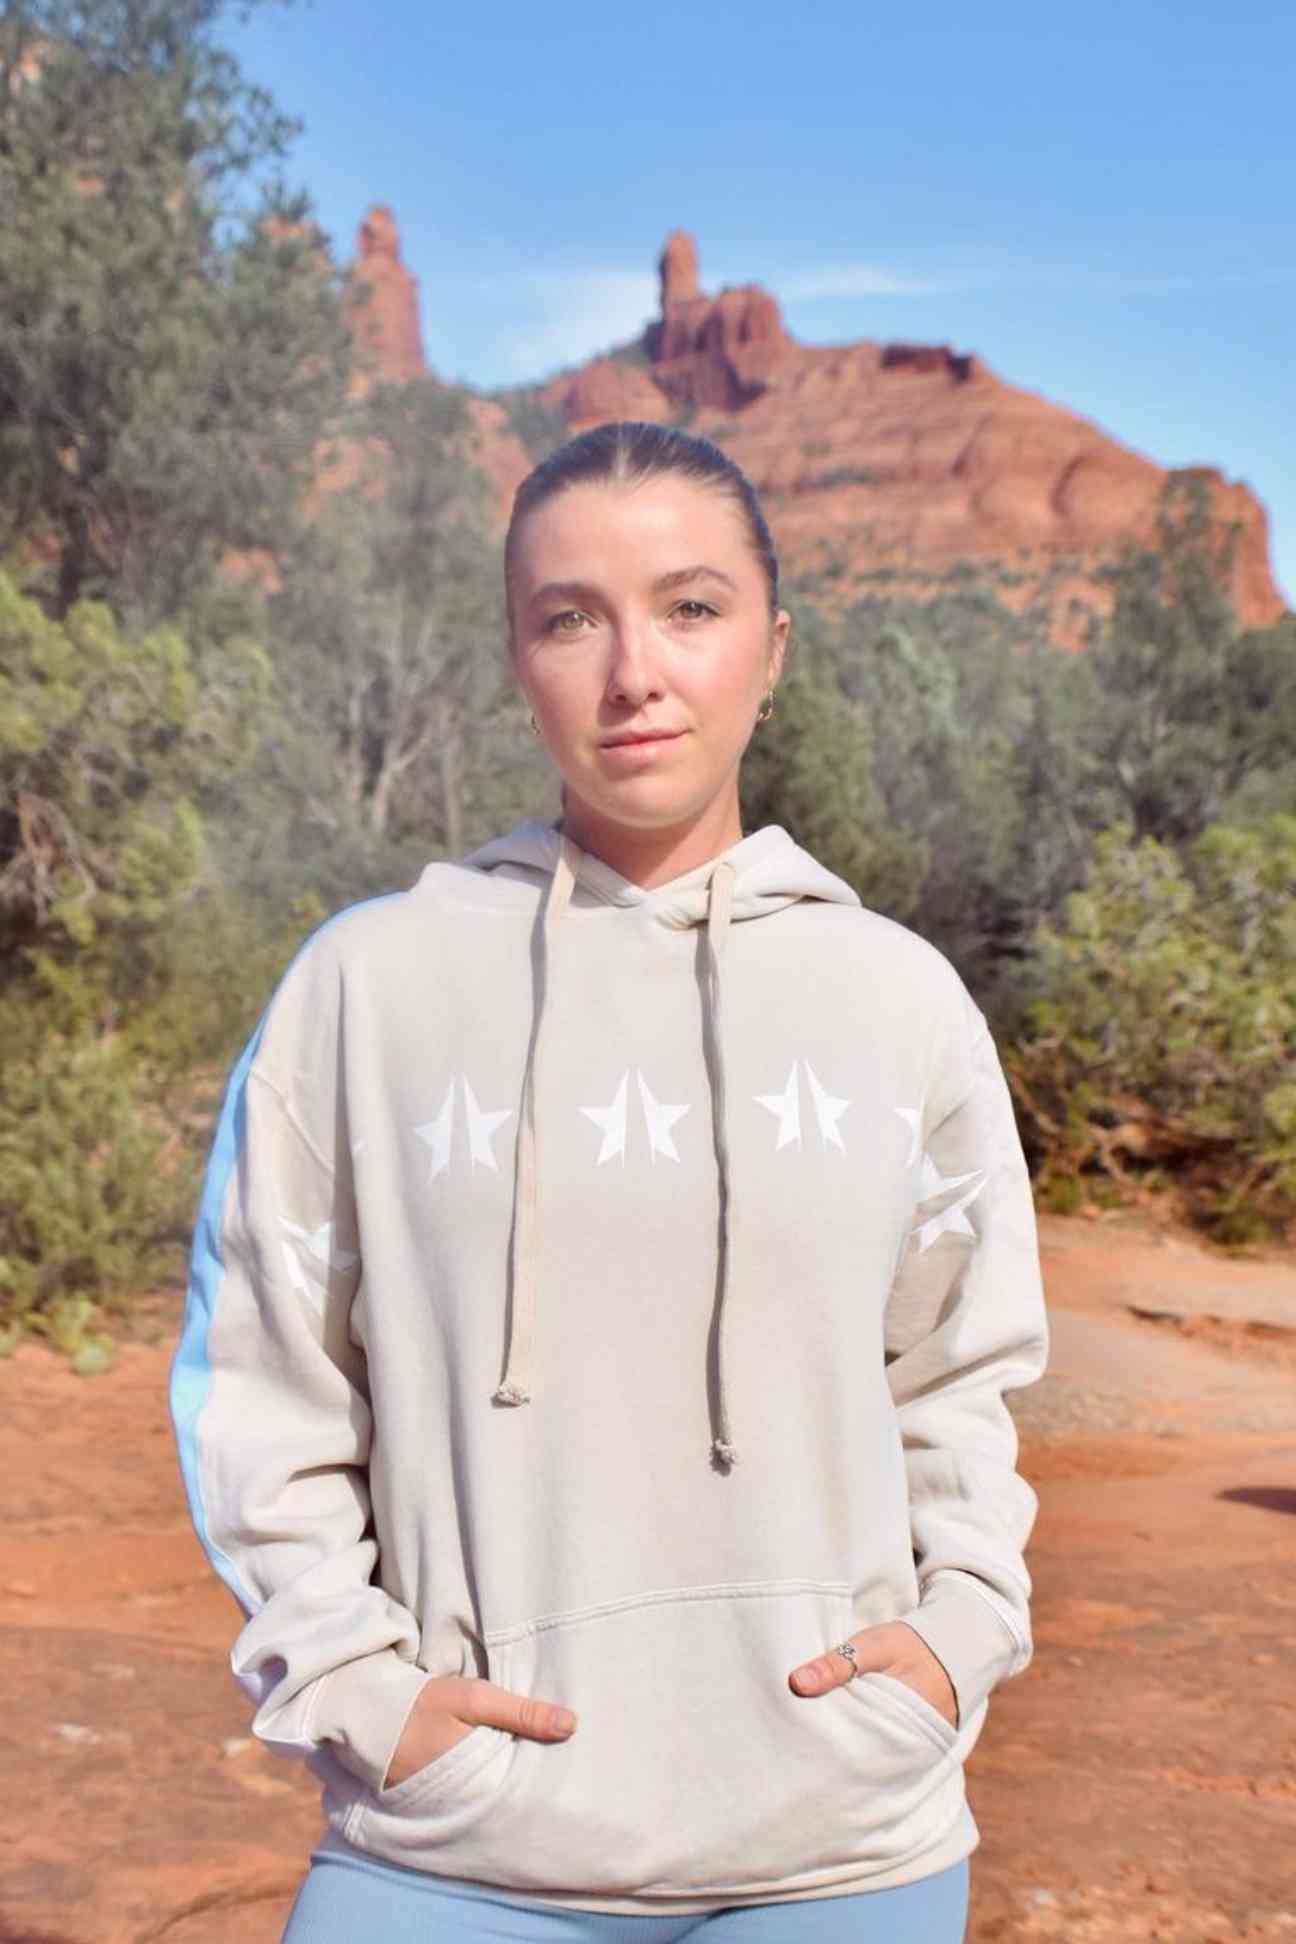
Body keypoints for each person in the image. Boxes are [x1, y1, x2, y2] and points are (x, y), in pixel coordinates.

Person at [169, 419, 1050, 1942]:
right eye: (571, 617)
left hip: (840, 1848)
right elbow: (265, 1383)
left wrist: (953, 1640)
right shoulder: (368, 988)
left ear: (772, 649)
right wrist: (370, 1698)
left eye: (691, 609)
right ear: (518, 658)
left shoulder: (897, 1000)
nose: (633, 669)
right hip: (448, 1854)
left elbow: (959, 1375)